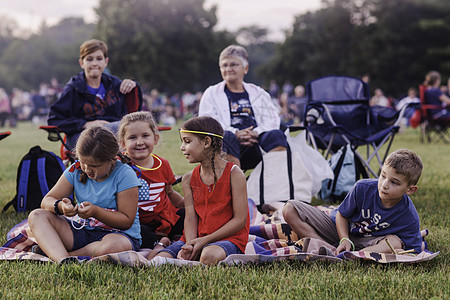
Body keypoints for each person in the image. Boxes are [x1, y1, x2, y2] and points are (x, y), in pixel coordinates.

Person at [27, 126, 141, 263]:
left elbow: (126, 220)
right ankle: (63, 259)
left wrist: (96, 212)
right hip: (82, 231)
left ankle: (63, 255)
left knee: (115, 246)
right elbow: (47, 200)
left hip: (118, 235)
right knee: (37, 216)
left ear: (111, 160)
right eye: (83, 162)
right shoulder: (75, 169)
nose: (87, 169)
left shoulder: (125, 174)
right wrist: (60, 206)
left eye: (95, 166)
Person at [282, 149, 424, 255]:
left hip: (370, 243)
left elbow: (414, 251)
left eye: (394, 182)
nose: (384, 184)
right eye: (383, 176)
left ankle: (353, 256)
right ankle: (327, 248)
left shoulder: (408, 215)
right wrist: (344, 239)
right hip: (338, 231)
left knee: (395, 243)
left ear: (410, 190)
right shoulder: (362, 188)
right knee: (289, 209)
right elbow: (341, 215)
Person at [155, 116, 249, 265]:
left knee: (208, 256)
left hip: (230, 239)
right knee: (158, 261)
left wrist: (203, 241)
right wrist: (190, 245)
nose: (182, 147)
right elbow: (191, 217)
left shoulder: (234, 174)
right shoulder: (188, 179)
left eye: (187, 141)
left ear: (206, 142)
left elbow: (239, 220)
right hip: (196, 237)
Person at [198, 45, 287, 170]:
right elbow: (208, 123)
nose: (228, 69)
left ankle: (274, 184)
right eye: (224, 65)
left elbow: (272, 119)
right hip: (226, 147)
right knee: (227, 136)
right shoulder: (212, 93)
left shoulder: (259, 93)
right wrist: (236, 133)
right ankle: (235, 186)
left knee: (276, 135)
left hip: (256, 142)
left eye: (233, 64)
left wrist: (256, 133)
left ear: (245, 68)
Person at [47, 39, 141, 151]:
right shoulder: (73, 89)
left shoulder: (115, 85)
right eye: (89, 59)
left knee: (133, 126)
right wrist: (85, 124)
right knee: (125, 128)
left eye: (99, 58)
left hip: (114, 134)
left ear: (106, 62)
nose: (95, 63)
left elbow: (134, 109)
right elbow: (54, 120)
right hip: (81, 138)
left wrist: (132, 84)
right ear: (82, 63)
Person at [117, 111, 184, 258]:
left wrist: (188, 204)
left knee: (187, 217)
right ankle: (162, 242)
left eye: (145, 136)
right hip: (137, 221)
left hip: (163, 216)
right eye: (132, 137)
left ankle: (170, 239)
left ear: (155, 138)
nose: (140, 142)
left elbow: (170, 192)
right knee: (139, 235)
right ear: (123, 143)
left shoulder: (162, 164)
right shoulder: (121, 166)